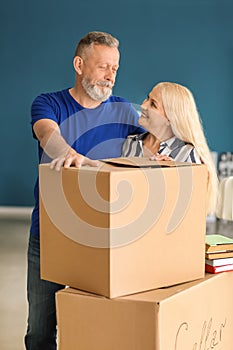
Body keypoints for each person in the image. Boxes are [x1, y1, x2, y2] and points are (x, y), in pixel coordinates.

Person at [25, 31, 144, 350]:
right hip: (50, 234)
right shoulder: (49, 102)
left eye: (115, 68)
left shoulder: (124, 110)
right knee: (39, 330)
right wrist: (66, 152)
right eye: (103, 66)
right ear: (79, 64)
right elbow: (46, 134)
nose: (110, 76)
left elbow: (157, 138)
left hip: (103, 237)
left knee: (94, 326)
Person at [122, 81, 219, 214]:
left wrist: (170, 177)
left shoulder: (186, 154)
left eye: (153, 104)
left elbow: (191, 211)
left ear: (169, 119)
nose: (143, 105)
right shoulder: (130, 143)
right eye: (147, 98)